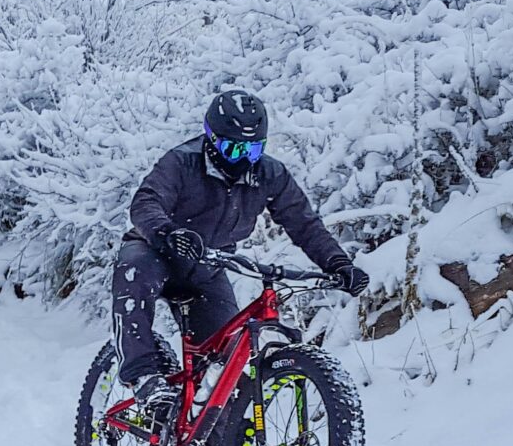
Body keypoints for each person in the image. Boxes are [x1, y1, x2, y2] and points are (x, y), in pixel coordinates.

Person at [113, 89, 370, 422]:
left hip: (206, 266)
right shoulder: (181, 162)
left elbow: (304, 224)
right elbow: (145, 203)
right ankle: (144, 375)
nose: (242, 159)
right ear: (210, 139)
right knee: (134, 274)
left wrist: (338, 264)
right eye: (232, 148)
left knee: (224, 371)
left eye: (253, 149)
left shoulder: (269, 174)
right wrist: (168, 232)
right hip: (156, 249)